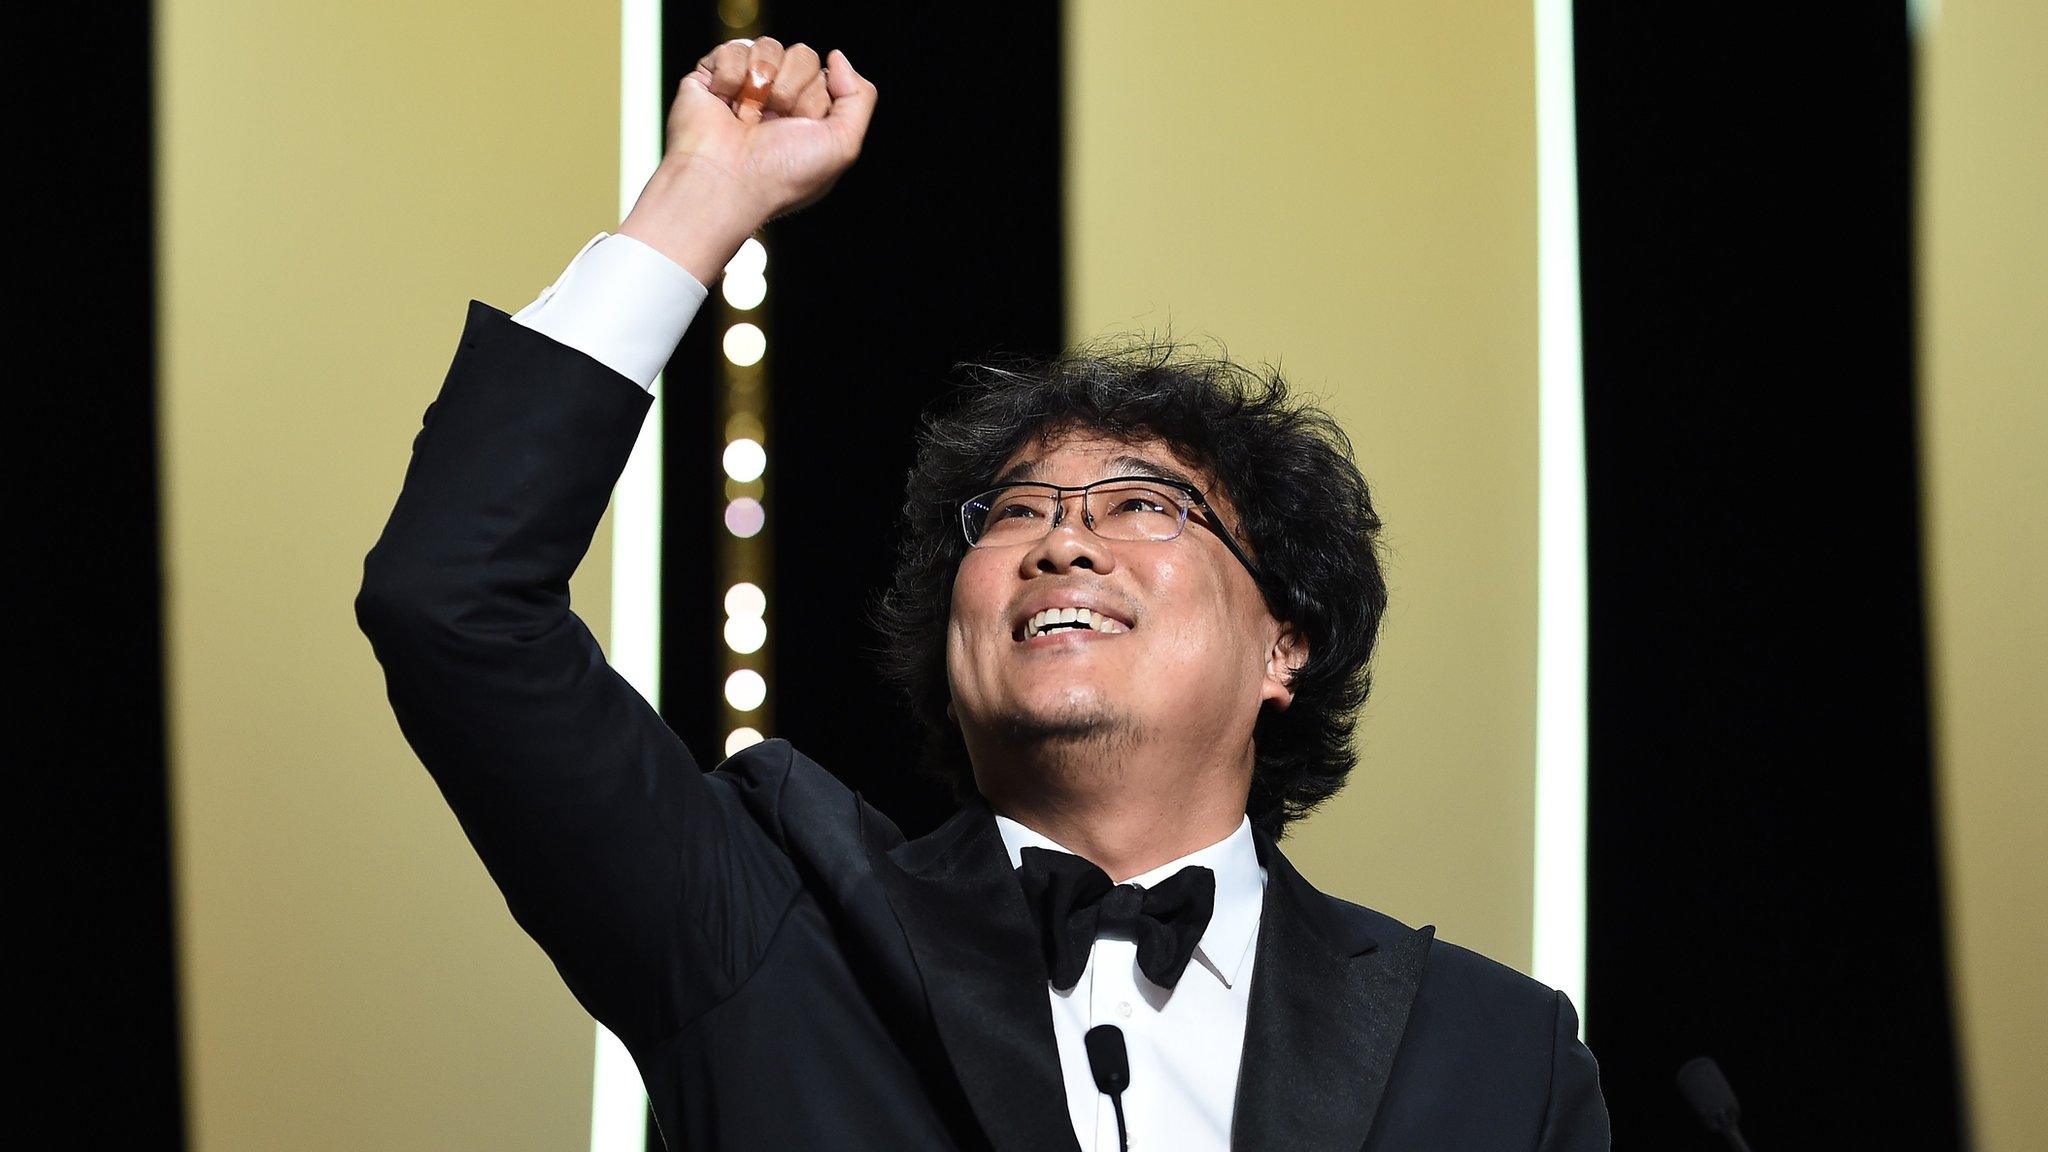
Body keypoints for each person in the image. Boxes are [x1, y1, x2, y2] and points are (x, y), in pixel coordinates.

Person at [356, 35, 1610, 1152]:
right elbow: (452, 601)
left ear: (1283, 639)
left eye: (1139, 504)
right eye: (1011, 513)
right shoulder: (773, 929)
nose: (1060, 544)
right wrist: (703, 202)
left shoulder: (1494, 1050)